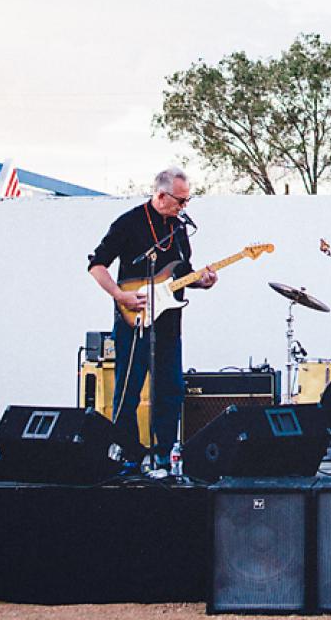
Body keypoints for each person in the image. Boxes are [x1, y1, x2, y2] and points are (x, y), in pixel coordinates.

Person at [87, 168, 216, 472]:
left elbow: (182, 275)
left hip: (169, 322)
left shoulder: (180, 230)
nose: (184, 207)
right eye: (180, 201)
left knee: (170, 388)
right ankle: (129, 452)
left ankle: (164, 453)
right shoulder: (129, 222)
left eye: (187, 201)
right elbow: (97, 265)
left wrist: (202, 281)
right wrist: (120, 295)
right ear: (160, 195)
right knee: (128, 389)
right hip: (134, 318)